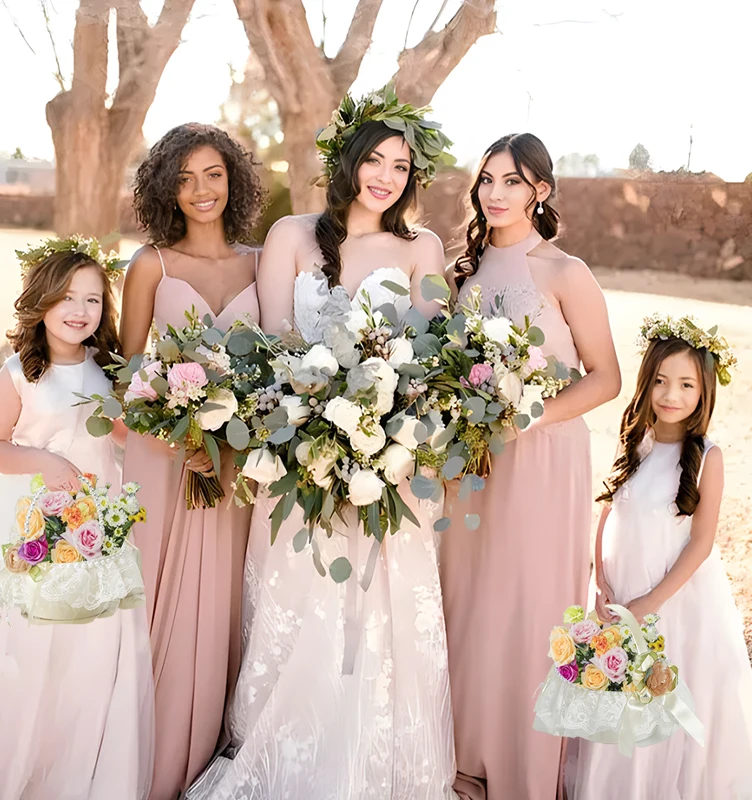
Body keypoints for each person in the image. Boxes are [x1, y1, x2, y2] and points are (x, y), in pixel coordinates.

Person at [187, 86, 458, 800]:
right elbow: (275, 340)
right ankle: (291, 754)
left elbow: (431, 356)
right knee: (302, 598)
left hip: (392, 460)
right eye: (374, 159)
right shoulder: (290, 236)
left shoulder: (423, 245)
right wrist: (318, 413)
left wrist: (385, 420)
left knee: (382, 607)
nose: (386, 176)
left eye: (401, 166)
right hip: (301, 451)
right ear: (346, 162)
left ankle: (376, 761)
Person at [440, 132, 621, 800]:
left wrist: (528, 414)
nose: (495, 194)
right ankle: (464, 757)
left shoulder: (564, 272)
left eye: (511, 181)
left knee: (529, 603)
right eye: (487, 180)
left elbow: (606, 378)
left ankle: (523, 767)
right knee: (469, 600)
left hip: (542, 457)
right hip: (471, 461)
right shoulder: (463, 271)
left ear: (540, 190)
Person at [0, 241, 153, 800]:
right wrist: (43, 461)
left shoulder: (105, 373)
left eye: (93, 299)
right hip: (27, 522)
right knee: (25, 643)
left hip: (95, 524)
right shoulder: (21, 372)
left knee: (87, 647)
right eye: (67, 296)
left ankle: (71, 765)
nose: (80, 310)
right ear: (41, 301)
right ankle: (13, 760)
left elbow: (121, 438)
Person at [120, 122, 263, 799]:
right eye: (183, 178)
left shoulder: (263, 263)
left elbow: (283, 367)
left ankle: (208, 753)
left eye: (212, 174)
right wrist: (179, 433)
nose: (200, 190)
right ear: (164, 189)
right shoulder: (151, 263)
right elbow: (125, 373)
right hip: (164, 459)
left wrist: (233, 434)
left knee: (228, 604)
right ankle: (141, 757)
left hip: (235, 466)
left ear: (232, 179)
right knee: (158, 605)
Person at [568, 316, 752, 799]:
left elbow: (702, 543)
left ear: (703, 391)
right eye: (661, 381)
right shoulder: (637, 443)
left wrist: (650, 603)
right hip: (619, 597)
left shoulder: (707, 457)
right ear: (647, 383)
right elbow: (607, 513)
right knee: (617, 702)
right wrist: (601, 583)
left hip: (672, 605)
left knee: (661, 706)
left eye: (686, 384)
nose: (672, 394)